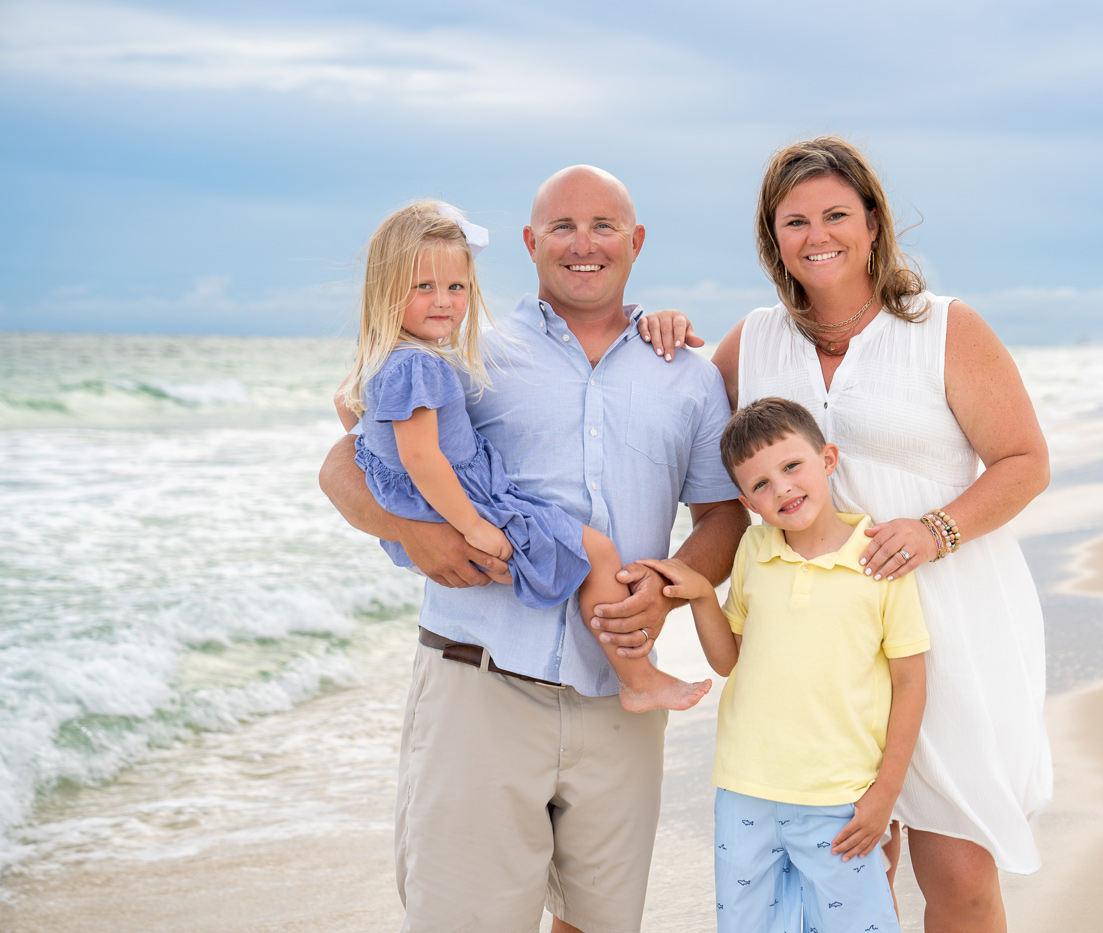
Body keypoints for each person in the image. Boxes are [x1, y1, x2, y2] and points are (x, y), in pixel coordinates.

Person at [318, 167, 750, 932]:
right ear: (530, 242)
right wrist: (415, 533)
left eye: (604, 226)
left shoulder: (686, 373)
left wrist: (671, 586)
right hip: (479, 682)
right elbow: (347, 461)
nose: (583, 244)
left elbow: (721, 516)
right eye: (562, 227)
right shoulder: (461, 348)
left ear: (636, 241)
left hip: (618, 697)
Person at [640, 137, 1052, 932]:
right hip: (815, 652)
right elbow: (675, 412)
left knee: (959, 870)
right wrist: (655, 325)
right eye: (794, 220)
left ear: (872, 222)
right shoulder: (753, 341)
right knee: (857, 872)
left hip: (949, 618)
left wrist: (937, 529)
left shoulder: (943, 327)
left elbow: (1025, 460)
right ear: (773, 237)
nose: (817, 234)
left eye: (836, 213)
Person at [335, 199, 710, 714]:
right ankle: (638, 677)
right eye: (424, 287)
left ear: (635, 241)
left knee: (568, 555)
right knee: (596, 553)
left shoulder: (411, 361)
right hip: (477, 592)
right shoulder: (453, 362)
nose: (443, 302)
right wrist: (457, 525)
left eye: (456, 287)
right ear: (532, 243)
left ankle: (629, 674)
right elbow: (412, 459)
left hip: (475, 510)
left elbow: (354, 412)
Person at [639, 397, 928, 933]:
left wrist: (886, 793)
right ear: (747, 501)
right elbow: (731, 662)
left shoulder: (878, 558)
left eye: (792, 467)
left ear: (828, 458)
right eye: (760, 485)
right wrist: (703, 596)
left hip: (840, 796)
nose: (783, 490)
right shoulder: (754, 549)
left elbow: (911, 682)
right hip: (746, 788)